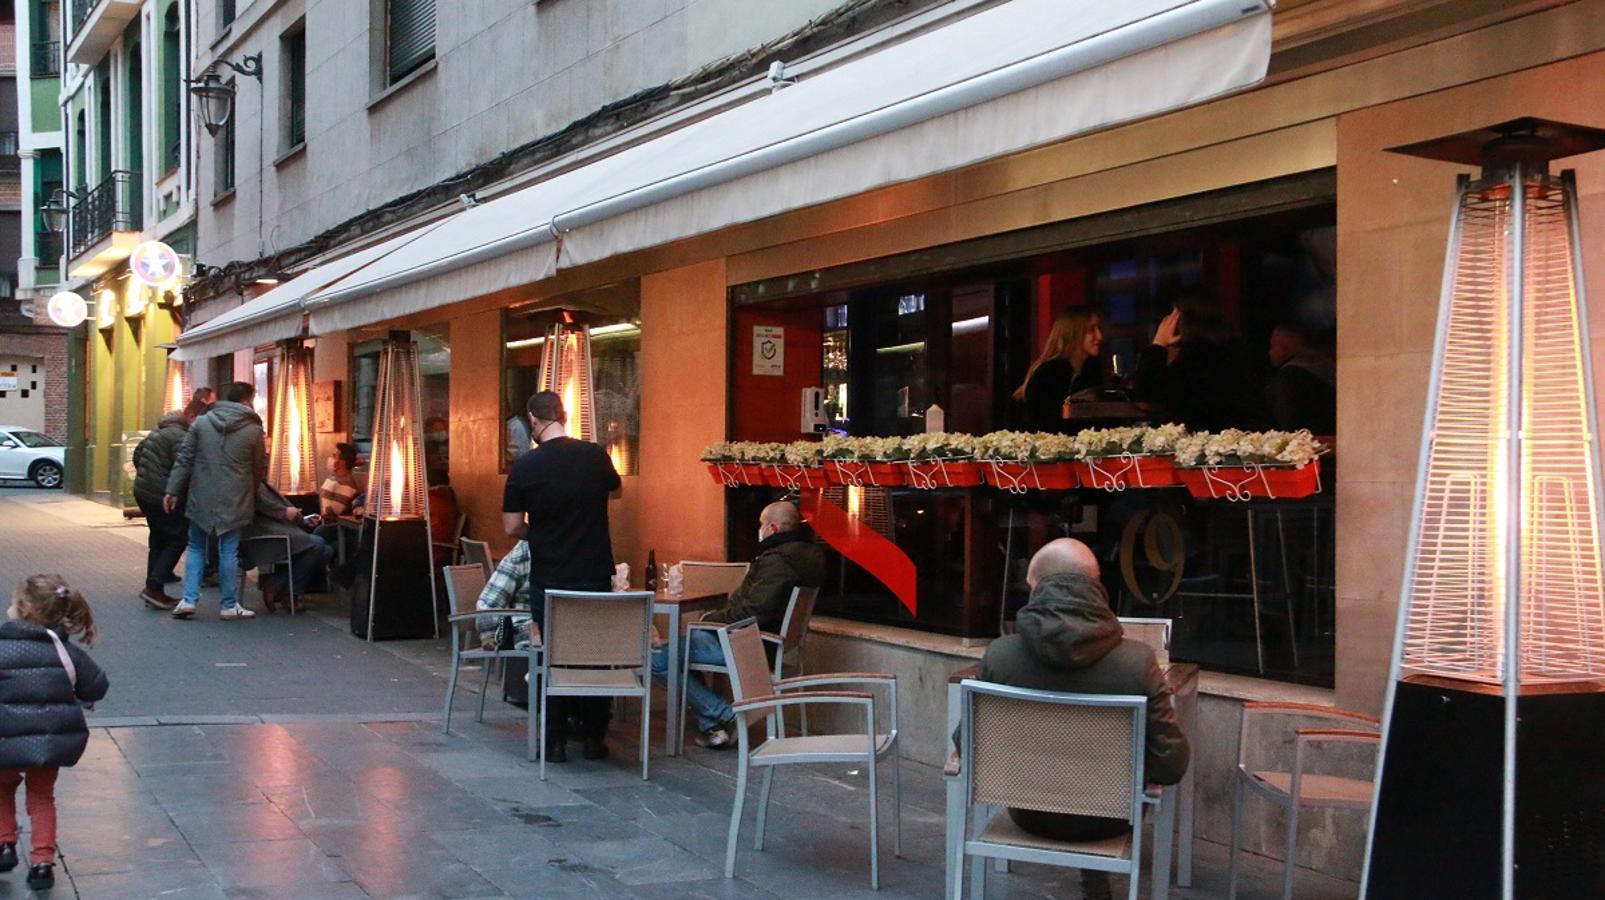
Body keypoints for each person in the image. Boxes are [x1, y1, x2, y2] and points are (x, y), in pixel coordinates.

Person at [978, 538, 1189, 900]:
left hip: (1029, 813)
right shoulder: (1138, 662)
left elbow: (968, 744)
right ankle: (1095, 880)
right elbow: (1171, 765)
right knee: (1107, 778)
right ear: (1096, 587)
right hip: (1109, 821)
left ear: (1036, 587)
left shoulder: (1000, 657)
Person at [502, 390, 622, 763]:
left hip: (550, 574)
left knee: (551, 653)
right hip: (594, 572)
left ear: (532, 420)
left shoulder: (525, 467)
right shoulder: (595, 455)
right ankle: (593, 736)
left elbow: (511, 526)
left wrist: (541, 533)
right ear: (564, 415)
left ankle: (553, 739)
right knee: (595, 652)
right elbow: (617, 491)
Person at [648, 501, 826, 749]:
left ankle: (726, 715)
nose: (759, 530)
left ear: (772, 528)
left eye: (761, 525)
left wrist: (709, 619)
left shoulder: (778, 562)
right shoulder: (801, 557)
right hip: (766, 642)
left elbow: (753, 611)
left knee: (658, 658)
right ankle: (714, 725)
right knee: (677, 651)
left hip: (748, 644)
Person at [0, 575, 110, 892]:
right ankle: (42, 863)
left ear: (22, 608)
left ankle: (4, 844)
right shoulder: (65, 650)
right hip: (47, 744)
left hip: (4, 740)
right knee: (42, 797)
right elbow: (97, 686)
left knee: (1, 790)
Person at [164, 381, 268, 621]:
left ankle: (189, 600)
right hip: (236, 496)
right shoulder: (253, 430)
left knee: (196, 547)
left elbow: (185, 458)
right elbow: (258, 467)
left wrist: (172, 490)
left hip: (202, 493)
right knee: (228, 550)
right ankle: (229, 605)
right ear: (246, 401)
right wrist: (251, 491)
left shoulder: (201, 423)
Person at [1134, 292, 1269, 432]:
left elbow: (1148, 400)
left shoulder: (1197, 354)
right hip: (1246, 435)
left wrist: (1158, 344)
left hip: (1211, 438)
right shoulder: (1234, 351)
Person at [131, 409, 193, 610]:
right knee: (178, 537)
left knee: (158, 538)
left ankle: (154, 584)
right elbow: (183, 465)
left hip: (144, 491)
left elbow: (137, 454)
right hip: (162, 494)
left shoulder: (156, 433)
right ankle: (154, 586)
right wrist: (174, 490)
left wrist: (147, 475)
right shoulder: (180, 436)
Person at [242, 482, 336, 613]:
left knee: (326, 551)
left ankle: (277, 585)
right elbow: (265, 506)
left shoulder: (255, 482)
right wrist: (285, 512)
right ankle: (289, 594)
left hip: (275, 530)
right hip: (266, 535)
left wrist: (301, 519)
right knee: (318, 544)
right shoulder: (251, 484)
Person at [1014, 308, 1105, 432]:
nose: (1100, 336)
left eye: (1099, 329)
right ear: (1073, 334)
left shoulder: (1091, 371)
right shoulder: (1048, 374)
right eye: (1091, 330)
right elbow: (1044, 425)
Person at [1265, 322, 1336, 435]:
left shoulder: (1289, 377)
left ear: (1284, 348)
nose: (1270, 352)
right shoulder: (1328, 368)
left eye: (1272, 346)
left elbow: (1288, 422)